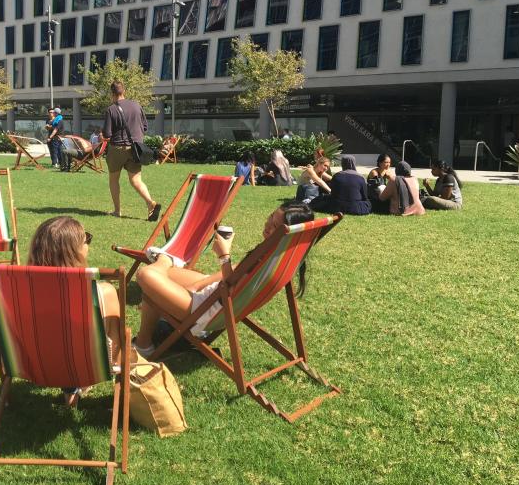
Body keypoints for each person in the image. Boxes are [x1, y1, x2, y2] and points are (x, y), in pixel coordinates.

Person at [132, 203, 315, 356]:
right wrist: (200, 284)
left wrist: (224, 255)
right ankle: (165, 264)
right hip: (212, 296)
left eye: (275, 226)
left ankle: (143, 345)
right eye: (271, 217)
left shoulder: (268, 259)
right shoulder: (280, 257)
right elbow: (236, 274)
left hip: (204, 310)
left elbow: (231, 292)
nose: (268, 225)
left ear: (288, 234)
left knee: (146, 275)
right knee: (163, 275)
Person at [27, 216, 122, 406]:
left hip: (34, 366)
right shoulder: (103, 293)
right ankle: (75, 384)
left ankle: (70, 389)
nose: (88, 243)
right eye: (86, 239)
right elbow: (116, 354)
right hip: (87, 367)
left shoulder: (19, 293)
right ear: (73, 252)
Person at [102, 81, 160, 221]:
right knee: (136, 180)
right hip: (136, 149)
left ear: (112, 94)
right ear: (124, 91)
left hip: (117, 148)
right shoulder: (136, 105)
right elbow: (144, 127)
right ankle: (150, 203)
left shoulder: (111, 109)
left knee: (114, 180)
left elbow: (107, 134)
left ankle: (117, 211)